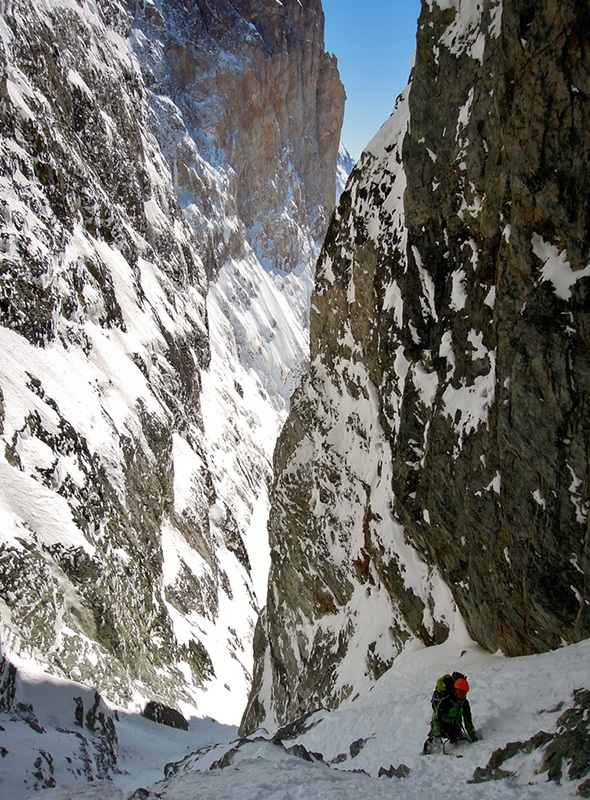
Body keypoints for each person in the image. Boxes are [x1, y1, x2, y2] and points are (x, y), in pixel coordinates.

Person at [423, 677, 478, 754]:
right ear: (455, 689)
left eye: (464, 692)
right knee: (434, 740)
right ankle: (427, 752)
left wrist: (473, 737)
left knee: (459, 739)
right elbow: (436, 718)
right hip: (442, 726)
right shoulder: (446, 702)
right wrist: (437, 734)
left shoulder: (465, 704)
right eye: (460, 691)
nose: (462, 694)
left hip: (455, 727)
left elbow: (467, 721)